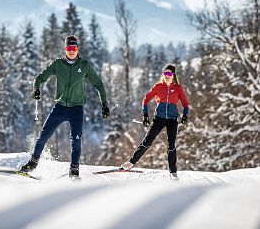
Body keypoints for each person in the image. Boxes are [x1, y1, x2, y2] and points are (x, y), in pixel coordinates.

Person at [21, 35, 110, 178]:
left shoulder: (84, 66)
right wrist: (36, 88)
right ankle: (32, 163)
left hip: (77, 109)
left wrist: (104, 104)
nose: (71, 51)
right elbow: (40, 77)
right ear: (65, 49)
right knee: (43, 136)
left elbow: (98, 84)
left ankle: (74, 170)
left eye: (74, 48)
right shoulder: (58, 65)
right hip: (60, 107)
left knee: (76, 140)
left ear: (77, 49)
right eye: (69, 48)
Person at [121, 64, 189, 180]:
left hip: (172, 120)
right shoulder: (158, 86)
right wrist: (145, 115)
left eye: (169, 74)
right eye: (165, 73)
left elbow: (185, 104)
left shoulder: (177, 88)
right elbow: (146, 100)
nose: (167, 76)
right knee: (147, 141)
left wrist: (185, 116)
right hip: (159, 119)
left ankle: (173, 172)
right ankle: (131, 163)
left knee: (171, 145)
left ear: (173, 75)